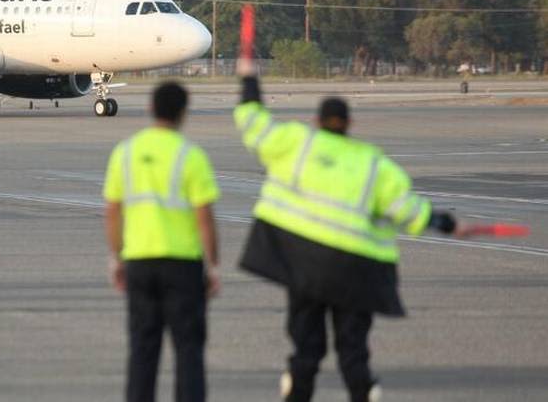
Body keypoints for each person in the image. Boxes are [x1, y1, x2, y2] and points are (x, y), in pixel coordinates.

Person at [233, 68, 464, 402]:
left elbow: (253, 123)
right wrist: (444, 222)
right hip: (355, 271)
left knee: (306, 348)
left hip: (304, 265)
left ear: (317, 120)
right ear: (349, 123)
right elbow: (408, 210)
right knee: (353, 349)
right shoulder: (372, 163)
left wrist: (250, 82)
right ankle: (364, 392)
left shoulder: (298, 143)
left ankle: (297, 392)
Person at [103, 82, 221, 402]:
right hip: (183, 265)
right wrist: (213, 266)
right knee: (188, 350)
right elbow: (205, 217)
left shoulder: (125, 153)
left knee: (143, 348)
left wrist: (116, 258)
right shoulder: (191, 156)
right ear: (184, 113)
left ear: (149, 109)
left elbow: (113, 212)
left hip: (140, 263)